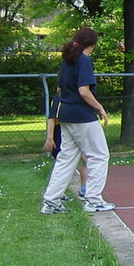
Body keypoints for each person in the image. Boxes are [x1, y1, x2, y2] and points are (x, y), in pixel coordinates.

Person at [40, 27, 114, 214]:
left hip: (65, 115)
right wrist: (99, 108)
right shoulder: (84, 61)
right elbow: (84, 90)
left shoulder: (67, 61)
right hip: (82, 116)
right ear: (92, 45)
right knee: (99, 155)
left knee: (66, 158)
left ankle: (51, 201)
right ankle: (94, 200)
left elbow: (60, 90)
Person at [44, 99, 88, 202]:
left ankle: (84, 190)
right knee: (64, 164)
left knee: (87, 160)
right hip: (62, 135)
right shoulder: (60, 99)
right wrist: (50, 138)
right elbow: (51, 118)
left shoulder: (78, 98)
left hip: (77, 133)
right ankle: (56, 193)